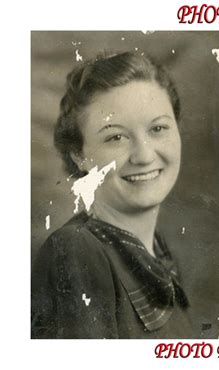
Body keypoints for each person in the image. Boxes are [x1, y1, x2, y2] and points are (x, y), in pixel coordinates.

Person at [31, 51, 192, 338]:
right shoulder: (76, 251)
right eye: (115, 137)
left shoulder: (156, 254)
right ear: (79, 155)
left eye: (158, 128)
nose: (144, 155)